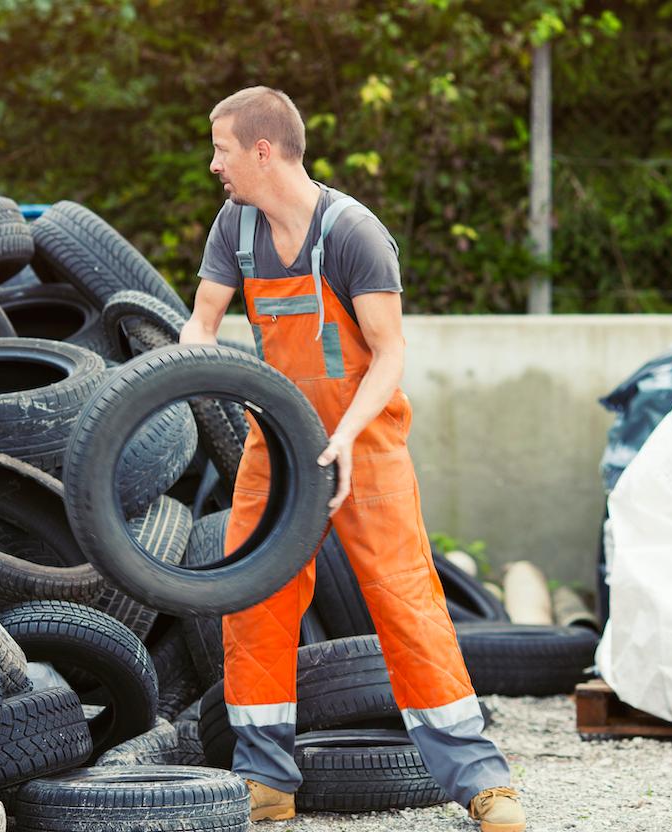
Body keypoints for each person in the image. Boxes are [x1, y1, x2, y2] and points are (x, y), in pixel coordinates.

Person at [178, 86, 526, 832]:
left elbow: (391, 351)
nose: (215, 165)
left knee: (405, 602)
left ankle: (481, 781)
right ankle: (266, 780)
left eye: (222, 149)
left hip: (362, 445)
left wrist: (344, 436)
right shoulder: (235, 227)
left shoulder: (352, 232)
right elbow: (201, 324)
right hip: (278, 450)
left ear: (262, 151)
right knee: (253, 599)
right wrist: (173, 380)